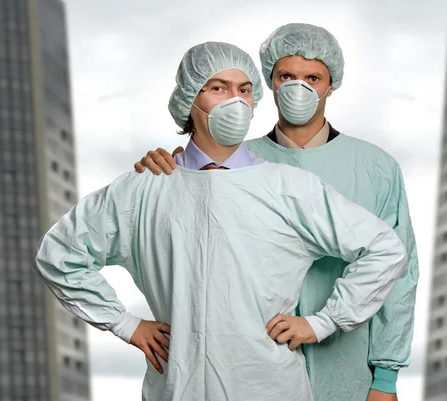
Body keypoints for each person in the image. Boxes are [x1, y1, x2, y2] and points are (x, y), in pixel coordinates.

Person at [34, 41, 408, 401]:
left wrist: (323, 322)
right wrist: (125, 324)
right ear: (189, 99)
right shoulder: (144, 189)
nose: (236, 101)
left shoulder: (288, 187)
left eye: (245, 90)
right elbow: (61, 254)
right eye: (218, 87)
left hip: (270, 387)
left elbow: (384, 249)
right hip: (176, 386)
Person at [134, 24, 419, 401]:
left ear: (331, 85)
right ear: (269, 80)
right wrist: (174, 167)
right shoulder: (230, 165)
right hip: (251, 371)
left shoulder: (375, 167)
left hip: (347, 363)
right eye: (287, 76)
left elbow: (399, 273)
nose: (298, 88)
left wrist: (385, 377)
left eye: (313, 77)